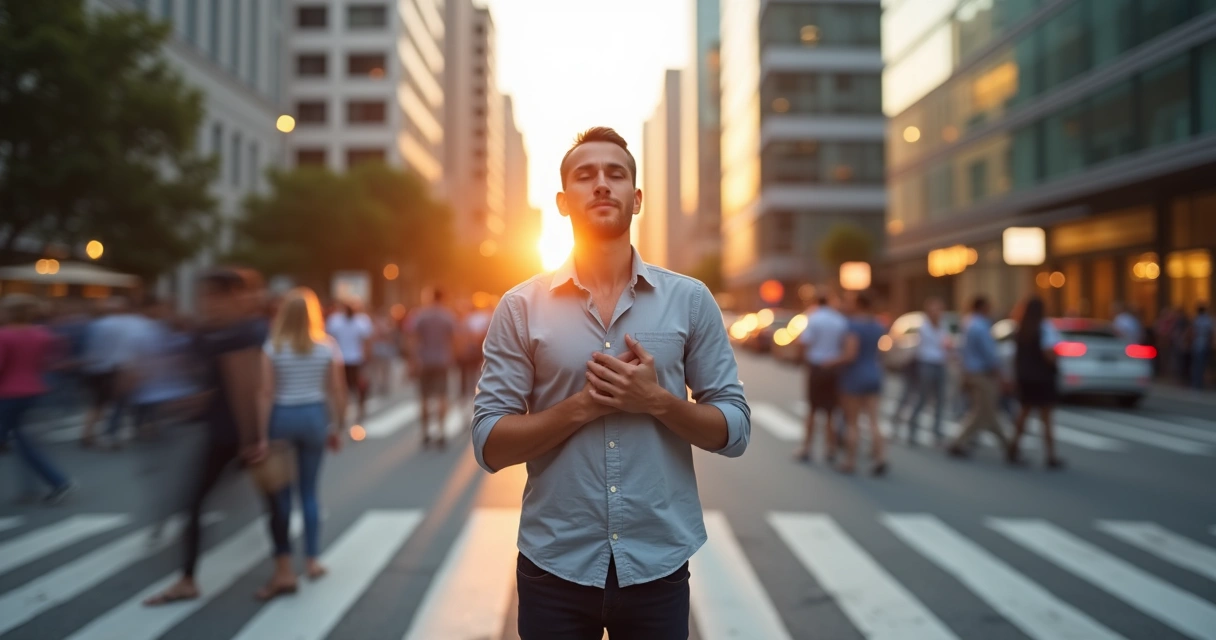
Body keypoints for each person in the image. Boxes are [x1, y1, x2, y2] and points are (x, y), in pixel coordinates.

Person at [472, 127, 750, 639]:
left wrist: (656, 401)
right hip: (554, 563)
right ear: (562, 201)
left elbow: (734, 431)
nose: (601, 184)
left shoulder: (690, 300)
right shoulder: (520, 307)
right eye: (585, 175)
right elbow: (489, 443)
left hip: (658, 565)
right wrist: (583, 407)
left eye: (615, 174)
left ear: (636, 198)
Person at [144, 268, 268, 606]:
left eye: (212, 296)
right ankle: (188, 578)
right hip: (220, 431)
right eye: (202, 297)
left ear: (231, 297)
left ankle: (189, 579)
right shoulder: (207, 333)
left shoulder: (239, 333)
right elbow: (209, 382)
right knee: (200, 503)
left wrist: (251, 440)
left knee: (268, 501)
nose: (206, 304)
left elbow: (246, 388)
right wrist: (190, 402)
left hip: (237, 434)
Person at [255, 287, 347, 600]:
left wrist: (263, 436)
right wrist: (337, 425)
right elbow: (337, 389)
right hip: (313, 417)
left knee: (281, 495)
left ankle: (284, 563)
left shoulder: (272, 347)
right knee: (309, 491)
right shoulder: (326, 346)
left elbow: (266, 393)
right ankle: (312, 559)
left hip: (282, 417)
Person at [0, 294, 76, 504]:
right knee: (21, 441)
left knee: (18, 440)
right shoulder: (42, 334)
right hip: (34, 389)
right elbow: (50, 361)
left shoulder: (4, 335)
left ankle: (58, 482)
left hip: (8, 393)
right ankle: (40, 485)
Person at [947, 296, 1010, 458]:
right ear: (982, 307)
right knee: (985, 411)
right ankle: (1009, 447)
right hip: (982, 374)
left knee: (984, 411)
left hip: (972, 373)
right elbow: (990, 354)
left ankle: (1009, 447)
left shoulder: (968, 323)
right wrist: (1000, 374)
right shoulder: (980, 326)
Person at [1006, 296, 1065, 469]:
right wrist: (1055, 362)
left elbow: (1014, 356)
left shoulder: (1021, 328)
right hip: (1043, 378)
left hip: (1025, 378)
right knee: (1046, 418)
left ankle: (1014, 448)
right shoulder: (1045, 328)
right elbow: (1049, 353)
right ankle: (1051, 455)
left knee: (1023, 415)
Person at [834, 293, 888, 476]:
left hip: (855, 376)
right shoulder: (877, 325)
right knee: (874, 420)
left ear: (858, 304)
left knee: (852, 422)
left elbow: (850, 354)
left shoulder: (852, 326)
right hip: (874, 373)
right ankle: (880, 457)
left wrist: (833, 362)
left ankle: (850, 461)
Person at [796, 294, 848, 463]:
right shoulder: (839, 320)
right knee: (831, 412)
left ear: (816, 302)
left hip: (817, 367)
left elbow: (804, 342)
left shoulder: (814, 318)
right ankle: (830, 449)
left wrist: (803, 360)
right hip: (833, 369)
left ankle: (807, 448)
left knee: (812, 409)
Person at [408, 289, 458, 447]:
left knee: (424, 398)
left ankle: (425, 433)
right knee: (442, 396)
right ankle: (442, 431)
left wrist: (413, 360)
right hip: (442, 361)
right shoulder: (448, 316)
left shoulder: (420, 315)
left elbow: (412, 338)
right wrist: (453, 356)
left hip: (424, 361)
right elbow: (455, 338)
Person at [904, 297, 949, 445]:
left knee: (940, 399)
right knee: (923, 398)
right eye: (935, 310)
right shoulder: (923, 327)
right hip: (926, 364)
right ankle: (912, 428)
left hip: (940, 364)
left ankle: (937, 432)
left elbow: (945, 344)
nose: (938, 313)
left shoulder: (943, 325)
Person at [326, 300, 373, 423]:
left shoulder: (361, 321)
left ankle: (357, 409)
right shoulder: (335, 321)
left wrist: (366, 357)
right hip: (341, 360)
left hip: (355, 360)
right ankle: (344, 412)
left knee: (357, 387)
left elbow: (367, 341)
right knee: (343, 388)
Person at [1190, 303, 1213, 389]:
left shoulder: (1197, 320)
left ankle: (1197, 383)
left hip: (1198, 344)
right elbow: (1210, 333)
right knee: (1201, 365)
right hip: (1203, 344)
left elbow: (1193, 332)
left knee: (1197, 365)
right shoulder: (1207, 320)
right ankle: (1199, 383)